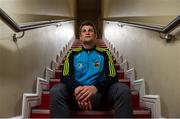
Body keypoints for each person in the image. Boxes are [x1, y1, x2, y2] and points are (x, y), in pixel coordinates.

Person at [50, 21, 133, 118]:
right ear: (80, 37)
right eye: (84, 31)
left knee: (123, 89)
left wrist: (95, 88)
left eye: (90, 30)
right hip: (76, 97)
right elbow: (65, 76)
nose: (87, 32)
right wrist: (77, 88)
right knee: (56, 90)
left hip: (100, 96)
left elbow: (113, 77)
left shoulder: (105, 53)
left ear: (95, 36)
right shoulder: (72, 53)